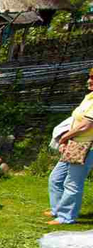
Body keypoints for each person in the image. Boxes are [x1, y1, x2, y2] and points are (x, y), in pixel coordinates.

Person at [46, 69, 93, 225]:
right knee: (56, 178)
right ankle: (57, 209)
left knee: (73, 183)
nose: (89, 81)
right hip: (75, 144)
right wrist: (66, 141)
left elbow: (84, 126)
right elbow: (75, 122)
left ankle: (66, 217)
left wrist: (64, 138)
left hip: (86, 147)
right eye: (89, 77)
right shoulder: (89, 98)